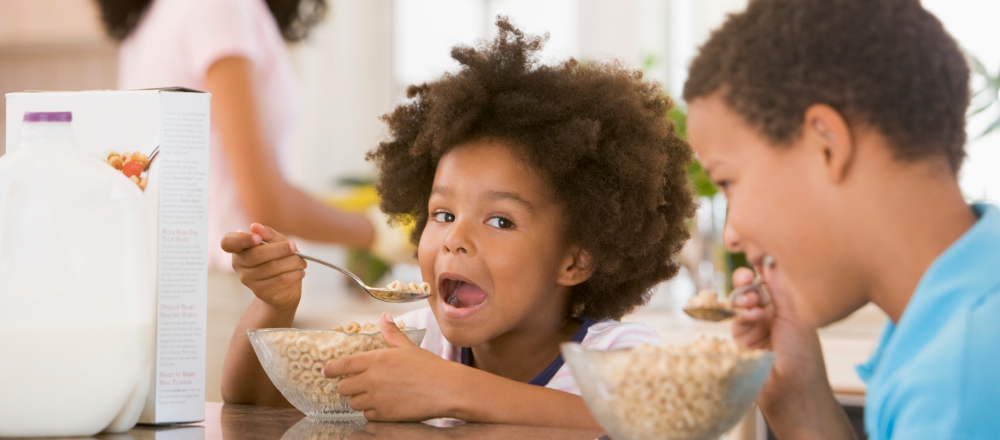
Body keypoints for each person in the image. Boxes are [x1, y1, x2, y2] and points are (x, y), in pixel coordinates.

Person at [219, 18, 695, 427]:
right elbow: (252, 402)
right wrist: (273, 306)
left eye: (500, 220)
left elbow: (652, 421)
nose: (454, 239)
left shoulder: (617, 354)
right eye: (442, 214)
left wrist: (451, 389)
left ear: (575, 260)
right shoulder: (414, 339)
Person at [681, 0, 1000, 438]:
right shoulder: (956, 322)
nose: (732, 236)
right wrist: (797, 401)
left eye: (728, 182)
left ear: (826, 145)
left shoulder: (960, 378)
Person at [96, 0, 375, 270]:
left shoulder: (156, 13)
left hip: (174, 278)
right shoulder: (218, 7)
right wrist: (378, 232)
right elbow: (267, 205)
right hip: (220, 285)